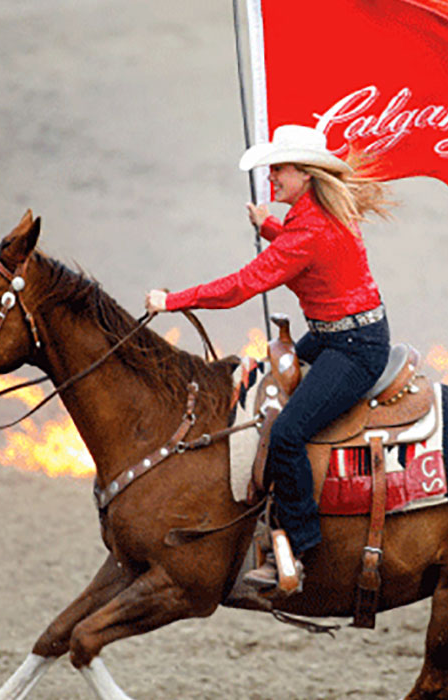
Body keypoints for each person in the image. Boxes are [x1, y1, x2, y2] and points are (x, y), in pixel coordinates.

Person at [145, 124, 393, 589]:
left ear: (305, 174)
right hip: (337, 336)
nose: (272, 177)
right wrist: (271, 226)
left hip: (352, 349)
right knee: (269, 396)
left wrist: (174, 300)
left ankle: (300, 547)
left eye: (280, 169)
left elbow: (243, 285)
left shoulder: (309, 229)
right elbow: (302, 246)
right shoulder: (313, 217)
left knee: (288, 433)